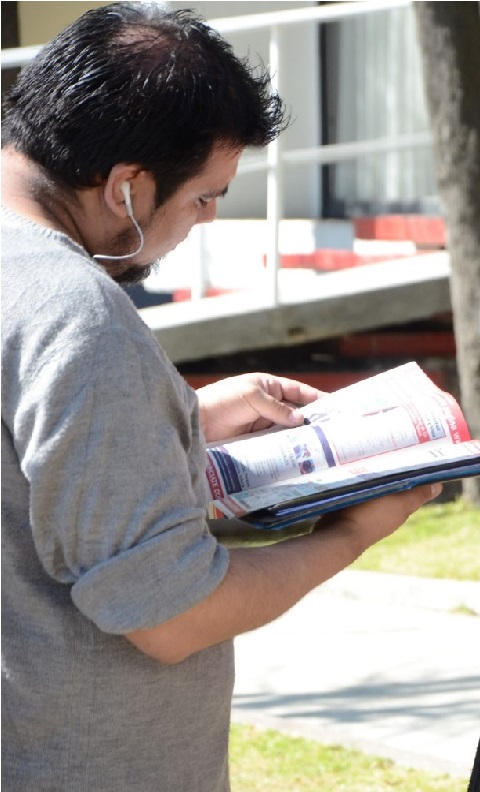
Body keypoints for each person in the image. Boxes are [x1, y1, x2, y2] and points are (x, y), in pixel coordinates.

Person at [0, 5, 439, 789]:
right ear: (128, 187)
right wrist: (352, 534)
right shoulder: (75, 311)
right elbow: (169, 614)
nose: (207, 220)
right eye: (206, 198)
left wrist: (179, 417)